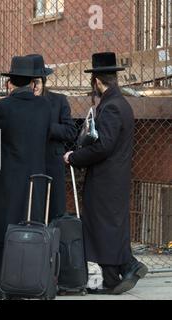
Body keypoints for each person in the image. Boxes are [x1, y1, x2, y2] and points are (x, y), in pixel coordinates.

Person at [64, 52, 148, 295]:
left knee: (102, 226)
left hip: (105, 178)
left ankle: (125, 267)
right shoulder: (122, 104)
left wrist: (74, 157)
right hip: (116, 177)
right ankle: (118, 273)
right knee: (110, 225)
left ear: (98, 81)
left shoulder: (110, 107)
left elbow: (104, 146)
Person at [0, 55, 53, 298]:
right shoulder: (44, 106)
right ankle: (30, 276)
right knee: (32, 225)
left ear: (10, 82)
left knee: (3, 226)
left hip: (8, 179)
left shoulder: (3, 107)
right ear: (31, 82)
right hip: (36, 177)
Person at [28, 54, 77, 221]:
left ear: (44, 81)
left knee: (54, 212)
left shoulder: (59, 100)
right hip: (29, 163)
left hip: (52, 164)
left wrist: (48, 128)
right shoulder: (21, 102)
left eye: (37, 82)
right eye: (30, 82)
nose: (34, 87)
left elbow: (71, 131)